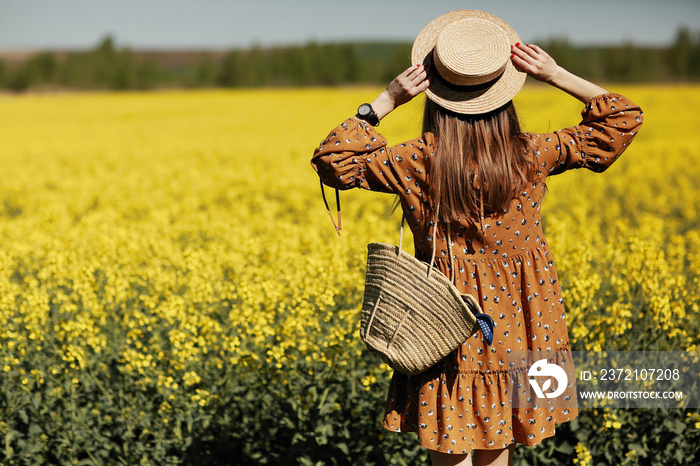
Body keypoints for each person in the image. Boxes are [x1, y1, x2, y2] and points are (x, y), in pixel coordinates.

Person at [311, 10, 643, 466]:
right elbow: (622, 119)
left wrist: (388, 98)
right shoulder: (532, 153)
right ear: (506, 94)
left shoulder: (417, 160)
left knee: (452, 444)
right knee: (497, 446)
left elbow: (333, 159)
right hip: (521, 315)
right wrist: (553, 73)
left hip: (445, 317)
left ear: (435, 95)